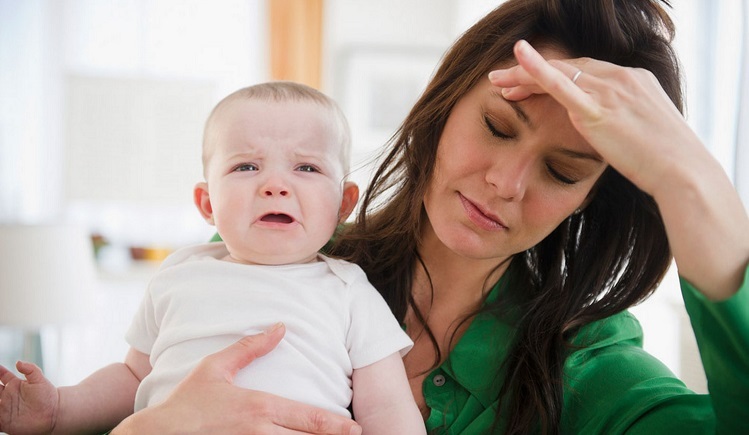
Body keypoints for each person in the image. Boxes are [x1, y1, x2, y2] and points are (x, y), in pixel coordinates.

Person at [0, 82, 426, 435]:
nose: (275, 185)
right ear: (207, 203)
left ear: (343, 203)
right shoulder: (180, 274)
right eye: (246, 167)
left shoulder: (349, 290)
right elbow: (133, 378)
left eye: (307, 168)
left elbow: (387, 409)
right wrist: (59, 408)